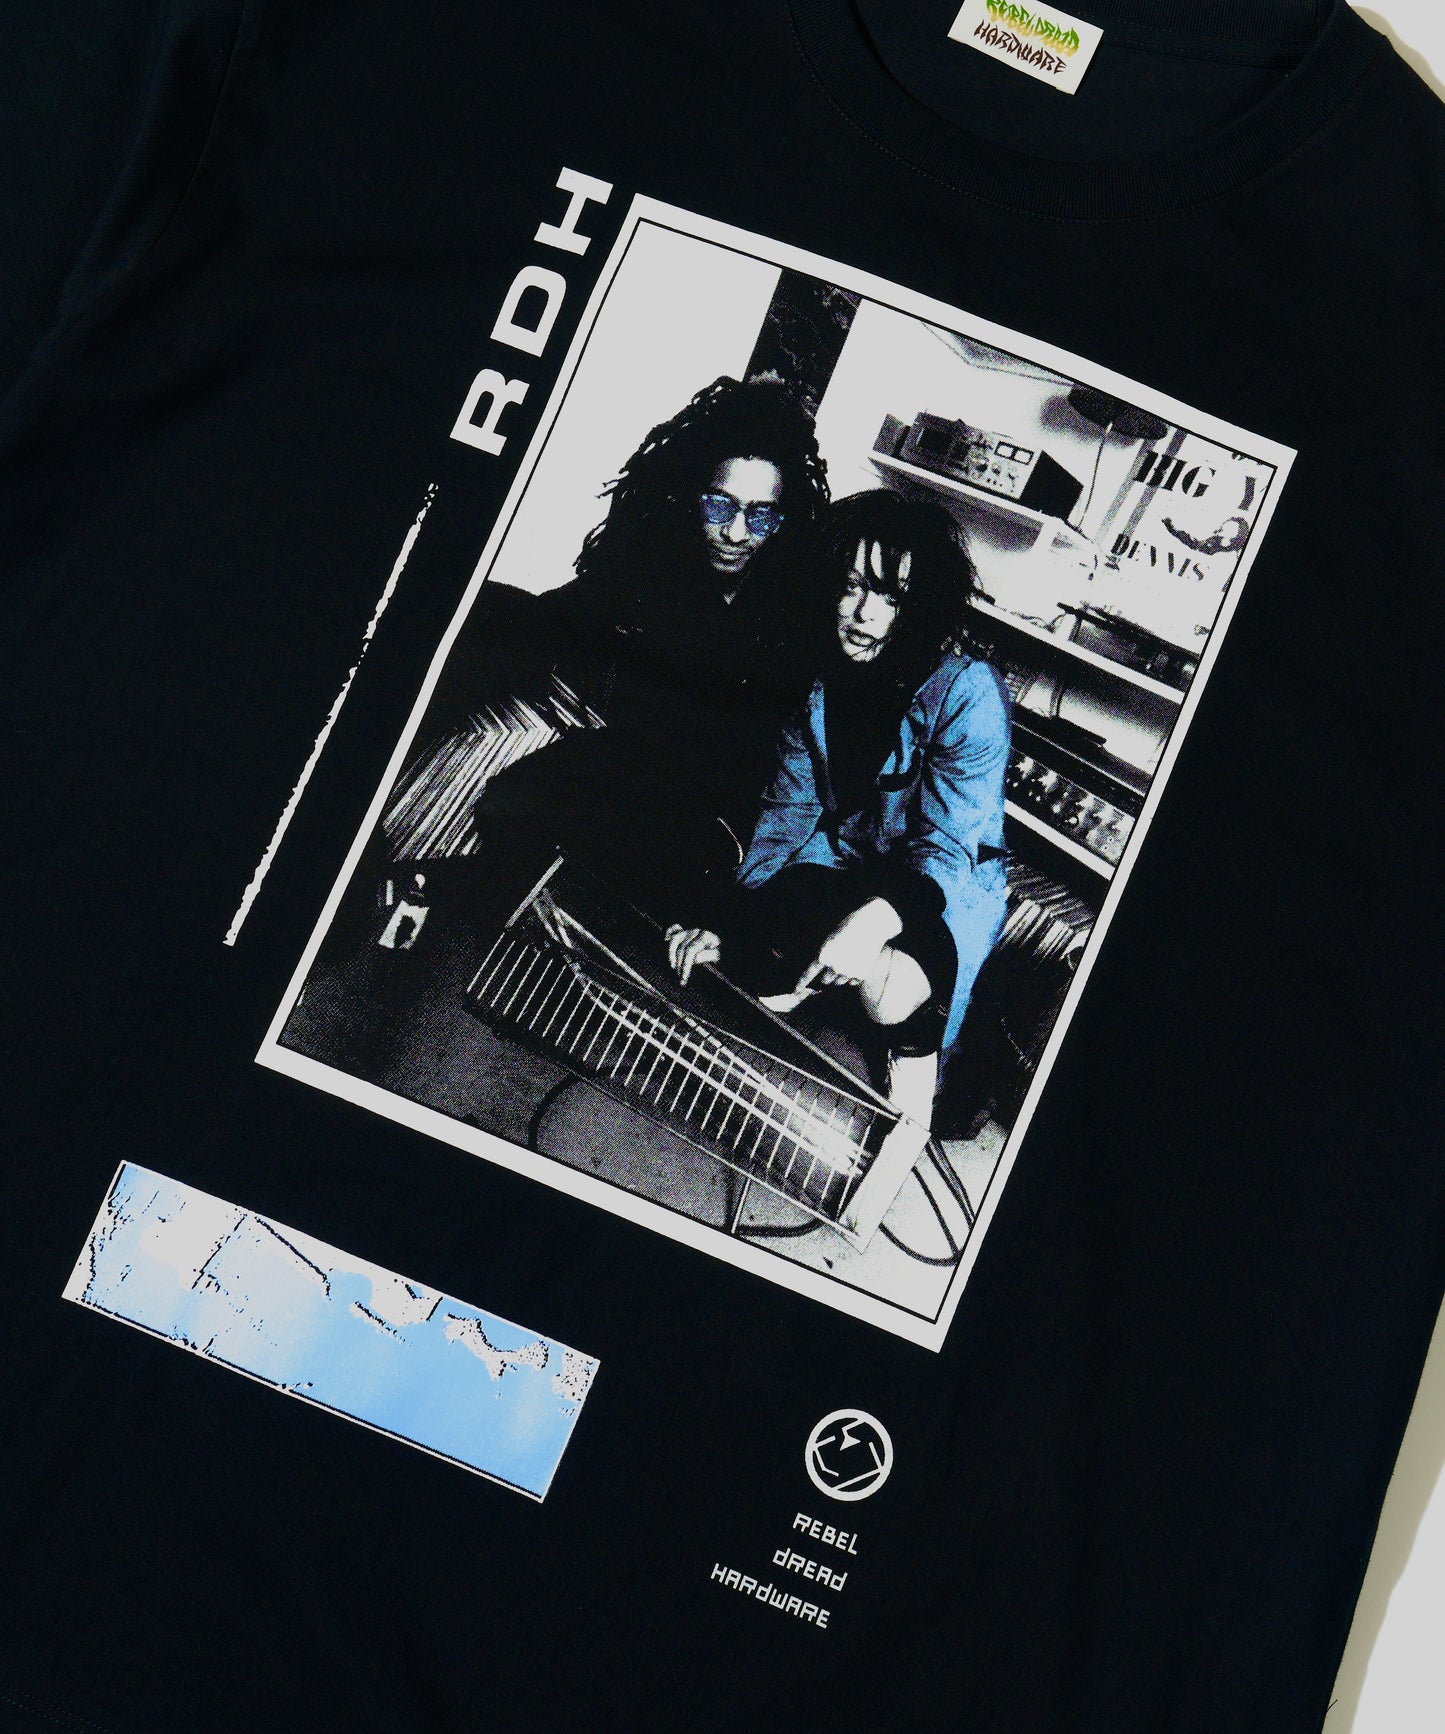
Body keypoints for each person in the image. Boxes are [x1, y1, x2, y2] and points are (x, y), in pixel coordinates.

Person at [665, 488, 1011, 1149]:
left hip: (950, 880)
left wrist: (871, 923)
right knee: (760, 961)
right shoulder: (818, 679)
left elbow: (945, 846)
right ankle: (826, 972)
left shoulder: (969, 690)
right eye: (850, 586)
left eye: (890, 597)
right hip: (849, 855)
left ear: (922, 606)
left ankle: (916, 1077)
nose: (862, 613)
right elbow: (788, 815)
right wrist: (731, 923)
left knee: (899, 1001)